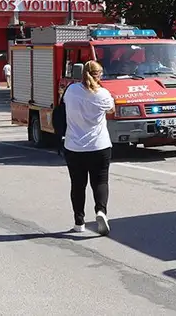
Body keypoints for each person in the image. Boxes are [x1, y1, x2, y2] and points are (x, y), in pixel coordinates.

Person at [62, 60, 116, 235]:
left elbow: (63, 106)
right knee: (100, 182)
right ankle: (101, 211)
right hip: (99, 145)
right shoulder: (103, 94)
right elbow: (112, 110)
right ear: (99, 75)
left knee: (78, 185)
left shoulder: (71, 90)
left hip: (74, 147)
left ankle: (79, 223)